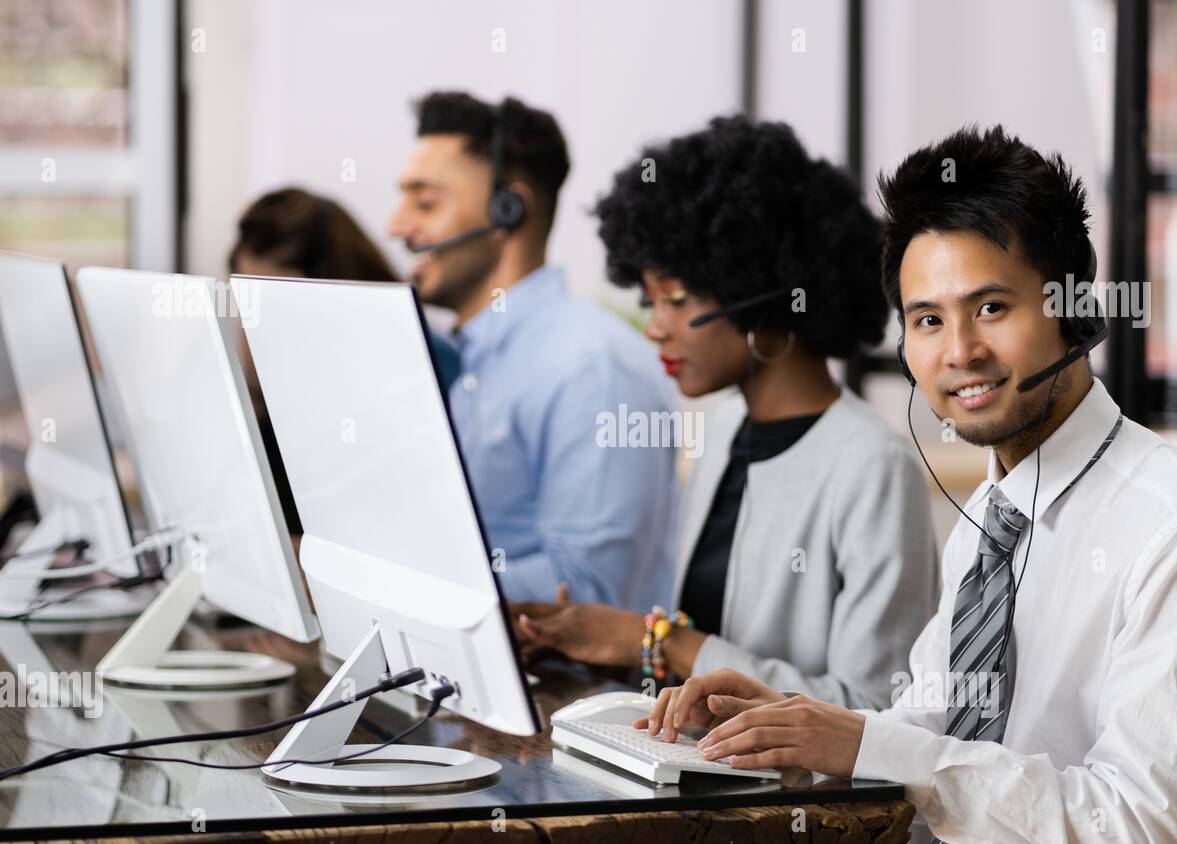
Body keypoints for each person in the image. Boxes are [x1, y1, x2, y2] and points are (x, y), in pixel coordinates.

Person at [639, 125, 1177, 844]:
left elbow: (1135, 832)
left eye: (990, 308)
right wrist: (798, 727)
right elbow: (932, 723)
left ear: (1073, 311)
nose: (958, 353)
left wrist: (873, 746)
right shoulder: (989, 517)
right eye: (927, 321)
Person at [511, 116, 940, 711]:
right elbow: (697, 659)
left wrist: (660, 641)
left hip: (795, 802)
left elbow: (872, 709)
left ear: (762, 295)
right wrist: (594, 647)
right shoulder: (721, 432)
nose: (655, 325)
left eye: (679, 300)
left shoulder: (873, 466)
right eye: (650, 299)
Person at [388, 92, 676, 608]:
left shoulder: (590, 367)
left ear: (508, 211)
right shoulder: (473, 357)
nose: (396, 226)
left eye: (425, 203)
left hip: (563, 689)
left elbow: (586, 592)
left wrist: (390, 584)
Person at [227, 187, 406, 536]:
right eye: (245, 306)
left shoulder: (400, 388)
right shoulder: (264, 408)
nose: (251, 334)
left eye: (272, 308)